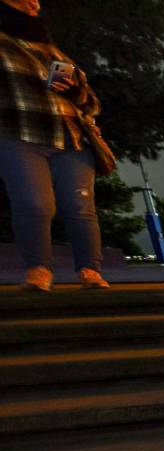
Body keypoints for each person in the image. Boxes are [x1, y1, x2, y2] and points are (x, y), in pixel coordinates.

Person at [1, 0, 111, 291]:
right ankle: (38, 270)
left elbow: (92, 105)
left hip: (71, 140)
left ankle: (90, 270)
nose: (35, 2)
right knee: (34, 204)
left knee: (80, 207)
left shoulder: (54, 52)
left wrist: (77, 90)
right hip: (19, 135)